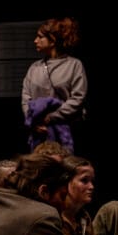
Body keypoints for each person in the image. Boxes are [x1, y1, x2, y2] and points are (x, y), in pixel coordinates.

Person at [21, 18, 87, 153]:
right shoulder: (34, 68)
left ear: (53, 40)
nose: (35, 41)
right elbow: (26, 97)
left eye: (40, 37)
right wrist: (34, 122)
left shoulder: (74, 65)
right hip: (39, 133)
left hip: (67, 131)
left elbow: (77, 98)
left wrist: (51, 117)